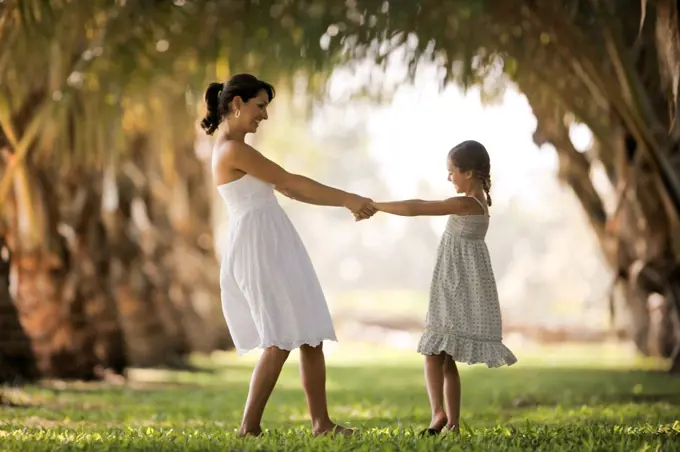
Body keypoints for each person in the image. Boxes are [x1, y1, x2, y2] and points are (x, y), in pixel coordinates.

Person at [202, 73, 375, 437]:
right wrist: (347, 198)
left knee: (310, 332)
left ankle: (321, 424)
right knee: (279, 336)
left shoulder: (237, 148)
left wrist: (346, 202)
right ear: (237, 104)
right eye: (260, 106)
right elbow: (290, 181)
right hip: (258, 246)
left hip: (275, 240)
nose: (264, 116)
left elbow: (293, 191)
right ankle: (248, 427)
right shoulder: (233, 149)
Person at [362, 140, 517, 436]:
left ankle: (438, 414)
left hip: (455, 285)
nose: (449, 178)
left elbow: (417, 207)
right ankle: (453, 423)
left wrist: (377, 205)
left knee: (434, 351)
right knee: (444, 356)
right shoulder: (479, 200)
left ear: (469, 172)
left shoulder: (468, 203)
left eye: (452, 172)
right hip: (459, 282)